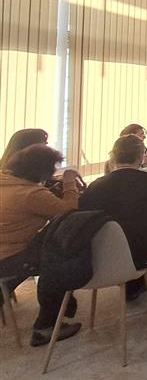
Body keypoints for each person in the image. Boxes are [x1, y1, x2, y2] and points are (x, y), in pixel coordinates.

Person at [81, 135, 147, 301]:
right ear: (140, 157)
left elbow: (85, 217)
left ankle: (133, 286)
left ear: (113, 157)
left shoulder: (95, 186)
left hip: (103, 250)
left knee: (130, 233)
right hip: (146, 246)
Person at [0, 145, 82, 346]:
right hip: (10, 257)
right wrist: (69, 183)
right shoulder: (31, 194)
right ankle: (46, 326)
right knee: (62, 258)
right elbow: (70, 214)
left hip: (5, 251)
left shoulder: (5, 181)